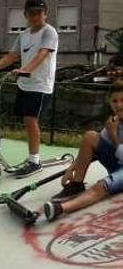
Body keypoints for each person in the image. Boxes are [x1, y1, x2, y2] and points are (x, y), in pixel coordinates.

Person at [0, 0, 59, 178]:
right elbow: (11, 56)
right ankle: (33, 156)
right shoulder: (23, 35)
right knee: (26, 120)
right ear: (25, 15)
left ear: (45, 14)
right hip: (25, 84)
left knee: (31, 120)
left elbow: (42, 54)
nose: (34, 17)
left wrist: (25, 69)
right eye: (31, 14)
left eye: (38, 13)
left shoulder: (50, 32)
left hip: (40, 85)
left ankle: (34, 161)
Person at [43, 80, 123, 221]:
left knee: (100, 187)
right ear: (109, 102)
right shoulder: (114, 121)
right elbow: (95, 149)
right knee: (90, 136)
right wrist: (73, 168)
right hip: (117, 164)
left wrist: (112, 135)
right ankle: (76, 184)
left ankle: (60, 209)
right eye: (114, 101)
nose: (118, 105)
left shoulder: (112, 127)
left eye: (122, 100)